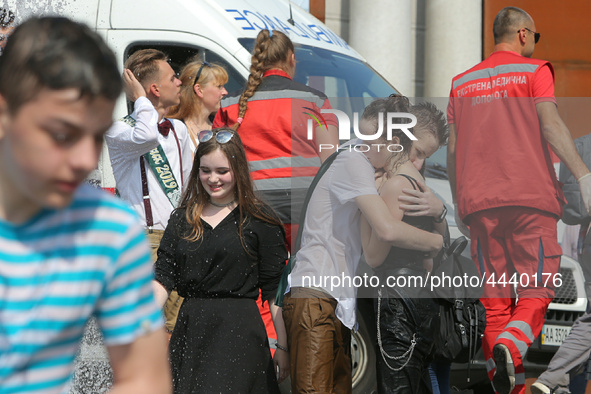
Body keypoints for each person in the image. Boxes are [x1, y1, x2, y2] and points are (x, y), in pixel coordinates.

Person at [0, 16, 170, 393]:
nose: (85, 160)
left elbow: (145, 380)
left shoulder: (110, 230)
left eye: (96, 136)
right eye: (63, 133)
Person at [447, 7, 591, 394]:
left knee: (496, 306)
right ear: (524, 35)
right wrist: (583, 174)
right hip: (530, 202)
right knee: (537, 290)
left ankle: (509, 385)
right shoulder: (535, 72)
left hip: (479, 206)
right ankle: (511, 346)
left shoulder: (461, 83)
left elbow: (454, 149)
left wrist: (462, 201)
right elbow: (550, 124)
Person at [282, 95, 444, 394]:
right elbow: (387, 230)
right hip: (316, 294)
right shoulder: (353, 161)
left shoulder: (367, 168)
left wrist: (438, 209)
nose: (363, 145)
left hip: (334, 300)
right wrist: (435, 241)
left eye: (370, 139)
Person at [213, 28, 339, 356]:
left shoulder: (230, 107)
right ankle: (305, 355)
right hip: (305, 212)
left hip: (253, 212)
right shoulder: (314, 101)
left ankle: (267, 353)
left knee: (260, 287)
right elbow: (330, 163)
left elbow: (215, 166)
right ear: (291, 59)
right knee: (305, 284)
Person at [153, 128, 289, 393]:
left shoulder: (261, 220)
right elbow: (163, 277)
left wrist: (283, 346)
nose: (212, 179)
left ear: (238, 170)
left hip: (240, 336)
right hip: (191, 333)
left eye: (221, 171)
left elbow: (275, 292)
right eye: (205, 170)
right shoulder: (181, 219)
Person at [361, 101, 449, 393]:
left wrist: (366, 203)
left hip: (397, 302)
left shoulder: (394, 184)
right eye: (419, 152)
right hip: (418, 300)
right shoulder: (414, 182)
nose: (420, 162)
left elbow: (374, 254)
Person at [105, 48, 193, 333]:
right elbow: (146, 135)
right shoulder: (119, 131)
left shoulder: (178, 129)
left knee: (176, 330)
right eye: (173, 77)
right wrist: (140, 99)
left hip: (179, 237)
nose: (179, 82)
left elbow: (190, 183)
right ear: (155, 88)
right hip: (146, 241)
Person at [167, 58, 228, 151]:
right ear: (199, 90)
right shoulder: (173, 128)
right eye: (219, 86)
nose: (225, 92)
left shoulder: (222, 128)